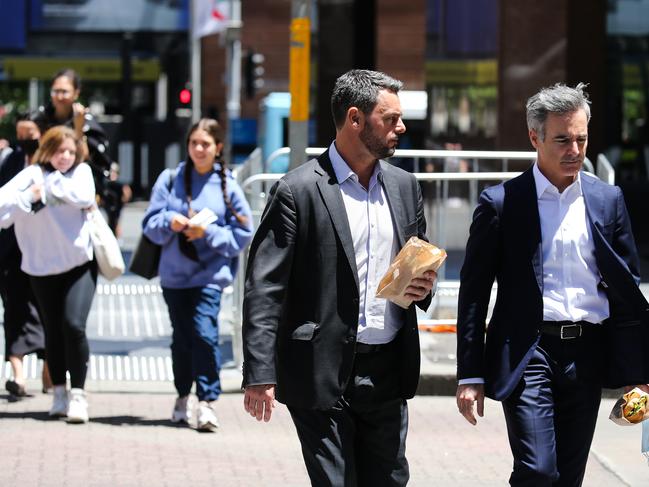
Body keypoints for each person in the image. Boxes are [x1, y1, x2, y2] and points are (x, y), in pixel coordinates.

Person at [242, 69, 437, 486]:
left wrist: (423, 287)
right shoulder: (297, 190)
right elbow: (265, 287)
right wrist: (260, 373)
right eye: (390, 118)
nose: (401, 128)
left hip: (387, 369)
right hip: (320, 370)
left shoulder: (404, 187)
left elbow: (416, 264)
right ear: (355, 119)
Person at [455, 83, 649, 486]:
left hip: (588, 352)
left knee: (568, 477)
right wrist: (469, 373)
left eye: (581, 139)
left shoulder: (607, 200)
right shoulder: (501, 203)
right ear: (534, 137)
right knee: (538, 470)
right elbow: (473, 294)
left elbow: (628, 292)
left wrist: (637, 373)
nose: (574, 151)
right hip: (529, 351)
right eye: (562, 140)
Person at [142, 118, 253, 432]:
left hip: (211, 275)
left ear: (217, 148)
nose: (199, 149)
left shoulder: (227, 184)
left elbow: (243, 233)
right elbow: (149, 224)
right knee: (182, 338)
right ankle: (182, 395)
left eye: (205, 144)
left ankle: (206, 401)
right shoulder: (171, 178)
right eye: (194, 143)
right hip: (175, 275)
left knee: (204, 333)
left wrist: (209, 233)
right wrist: (171, 221)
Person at [0, 125, 96, 423]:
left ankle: (78, 394)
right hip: (41, 268)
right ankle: (59, 391)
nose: (65, 157)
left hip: (79, 263)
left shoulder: (81, 173)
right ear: (47, 150)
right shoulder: (31, 176)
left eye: (70, 151)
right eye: (59, 151)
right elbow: (3, 208)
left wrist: (53, 186)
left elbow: (83, 196)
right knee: (53, 330)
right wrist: (27, 196)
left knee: (73, 325)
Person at [0, 111, 51, 398]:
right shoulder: (11, 160)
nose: (24, 141)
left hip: (46, 251)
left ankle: (50, 371)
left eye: (29, 135)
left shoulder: (55, 164)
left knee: (47, 312)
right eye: (20, 135)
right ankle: (17, 374)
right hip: (11, 253)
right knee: (14, 310)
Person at [33, 68, 112, 194]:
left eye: (64, 92)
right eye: (55, 91)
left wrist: (79, 127)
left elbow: (85, 158)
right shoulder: (40, 118)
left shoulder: (86, 121)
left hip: (76, 187)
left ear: (76, 93)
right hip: (43, 183)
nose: (59, 96)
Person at [100, 162, 132, 236]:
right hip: (108, 205)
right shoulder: (106, 183)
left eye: (115, 172)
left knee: (116, 222)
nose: (113, 174)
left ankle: (115, 237)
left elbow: (127, 191)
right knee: (109, 221)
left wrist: (124, 199)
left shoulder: (120, 184)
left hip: (117, 205)